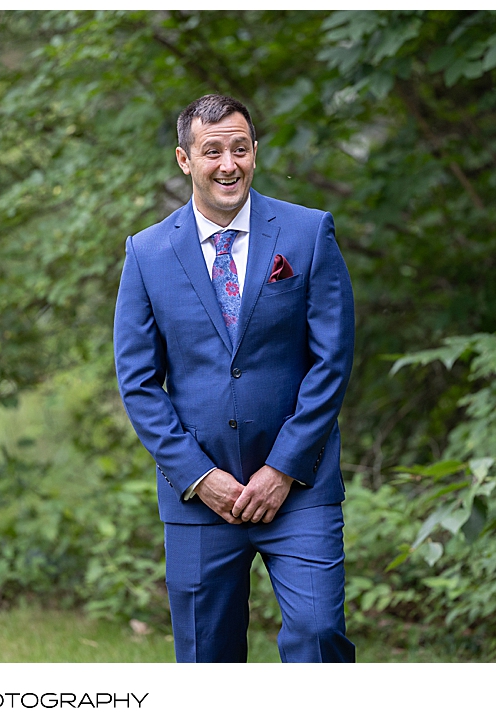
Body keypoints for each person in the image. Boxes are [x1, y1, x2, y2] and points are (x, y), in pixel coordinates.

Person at [113, 94, 356, 663]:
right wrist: (200, 477)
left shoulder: (307, 233)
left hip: (300, 487)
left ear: (254, 153)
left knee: (320, 635)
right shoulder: (146, 253)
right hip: (201, 499)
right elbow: (139, 383)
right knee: (206, 662)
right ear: (184, 159)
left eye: (240, 149)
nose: (229, 164)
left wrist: (282, 469)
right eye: (212, 151)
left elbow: (332, 361)